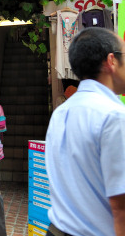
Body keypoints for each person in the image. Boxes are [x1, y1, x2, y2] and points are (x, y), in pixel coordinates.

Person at [45, 27, 125, 236]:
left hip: (56, 230)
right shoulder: (114, 116)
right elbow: (121, 208)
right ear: (112, 61)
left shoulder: (61, 112)